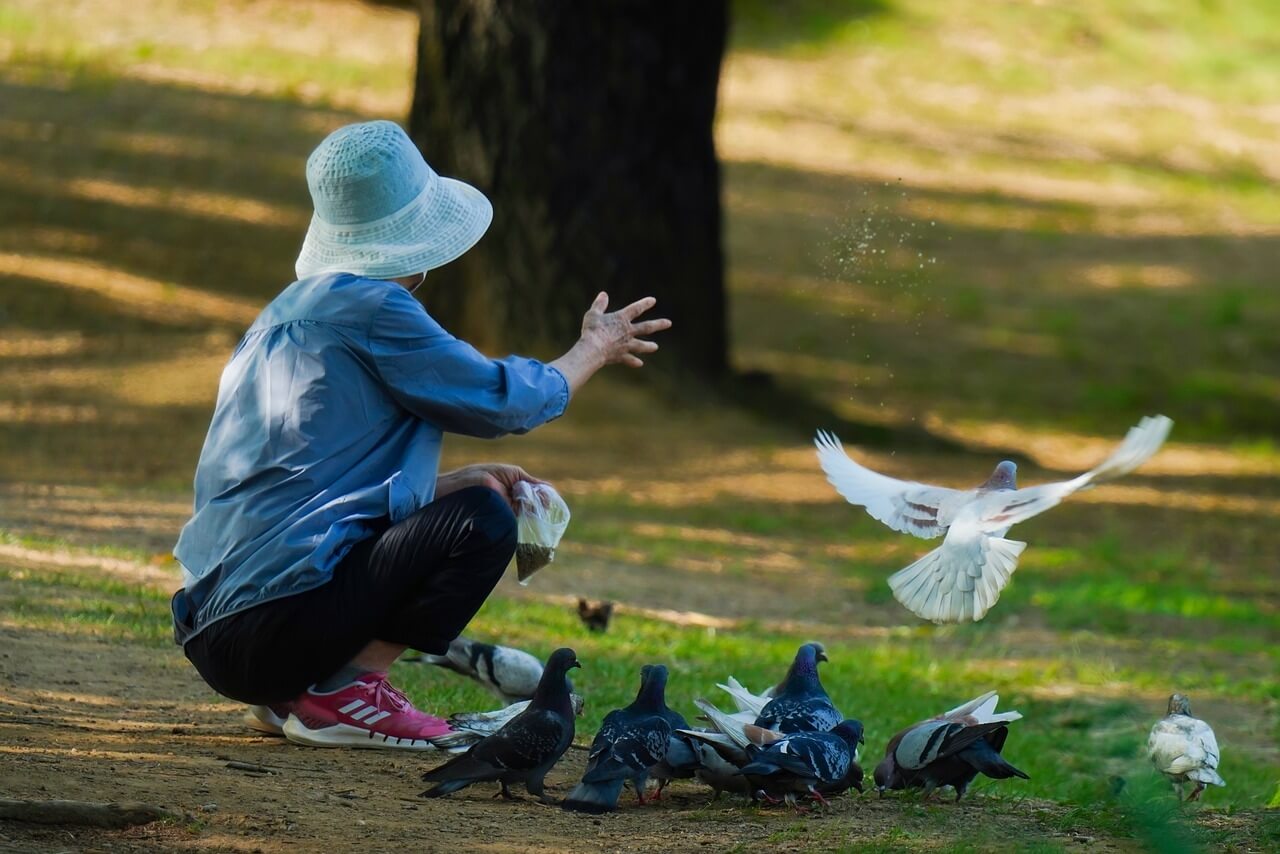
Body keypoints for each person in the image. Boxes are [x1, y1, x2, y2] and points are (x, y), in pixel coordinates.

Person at [171, 120, 670, 750]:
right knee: (486, 518)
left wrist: (441, 486)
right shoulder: (376, 309)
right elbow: (503, 402)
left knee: (471, 494)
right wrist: (593, 348)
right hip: (274, 624)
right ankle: (346, 692)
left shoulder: (282, 313)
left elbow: (305, 486)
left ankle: (294, 696)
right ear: (413, 237)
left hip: (218, 633)